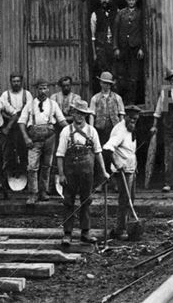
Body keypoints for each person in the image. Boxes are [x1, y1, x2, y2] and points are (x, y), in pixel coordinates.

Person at [55, 102, 109, 246]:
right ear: (73, 113)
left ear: (86, 115)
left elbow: (98, 152)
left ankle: (85, 232)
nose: (79, 116)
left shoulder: (92, 131)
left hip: (87, 171)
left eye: (82, 113)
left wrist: (103, 172)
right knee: (68, 201)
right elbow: (60, 155)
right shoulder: (66, 131)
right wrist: (61, 174)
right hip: (70, 171)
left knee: (86, 201)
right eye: (77, 113)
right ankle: (67, 234)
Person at [18, 80, 67, 204]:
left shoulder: (53, 104)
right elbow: (21, 122)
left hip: (49, 139)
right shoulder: (30, 104)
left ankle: (43, 192)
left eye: (45, 88)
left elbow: (61, 121)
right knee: (32, 167)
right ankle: (32, 194)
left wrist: (71, 131)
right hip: (33, 140)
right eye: (40, 89)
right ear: (36, 90)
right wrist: (26, 138)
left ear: (48, 90)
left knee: (47, 166)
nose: (43, 91)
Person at [103, 104, 143, 240]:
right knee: (124, 200)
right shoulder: (119, 130)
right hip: (123, 171)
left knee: (131, 199)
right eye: (131, 118)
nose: (133, 121)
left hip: (131, 168)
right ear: (125, 116)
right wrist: (116, 164)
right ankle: (120, 230)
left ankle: (127, 226)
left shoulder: (131, 129)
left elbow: (130, 150)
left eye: (135, 119)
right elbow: (108, 148)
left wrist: (135, 165)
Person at [0, 74, 31, 192]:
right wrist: (12, 119)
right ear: (10, 82)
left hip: (23, 128)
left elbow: (28, 110)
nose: (16, 83)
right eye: (14, 81)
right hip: (10, 128)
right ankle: (7, 182)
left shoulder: (27, 95)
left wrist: (19, 118)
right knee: (8, 154)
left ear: (21, 82)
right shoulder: (5, 95)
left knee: (23, 153)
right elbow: (2, 111)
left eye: (18, 81)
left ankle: (25, 180)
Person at [114, 0, 145, 104]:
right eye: (129, 0)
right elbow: (115, 31)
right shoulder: (121, 13)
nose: (131, 2)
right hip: (123, 49)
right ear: (126, 1)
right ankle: (123, 101)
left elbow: (144, 31)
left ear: (136, 1)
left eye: (133, 0)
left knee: (134, 76)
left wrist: (142, 48)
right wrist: (115, 48)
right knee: (122, 75)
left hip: (135, 48)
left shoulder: (141, 13)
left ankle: (132, 101)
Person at [89, 72, 125, 149]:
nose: (107, 85)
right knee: (100, 147)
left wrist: (122, 128)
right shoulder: (95, 98)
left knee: (114, 147)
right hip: (100, 128)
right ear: (100, 83)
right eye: (105, 83)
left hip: (114, 127)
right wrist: (91, 129)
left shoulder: (117, 98)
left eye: (109, 83)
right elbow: (92, 115)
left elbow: (121, 114)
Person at [91, 0, 117, 76]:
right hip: (101, 47)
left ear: (110, 0)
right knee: (103, 70)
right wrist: (94, 52)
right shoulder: (95, 14)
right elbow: (93, 36)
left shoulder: (117, 12)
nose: (104, 0)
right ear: (99, 0)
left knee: (115, 70)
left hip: (113, 46)